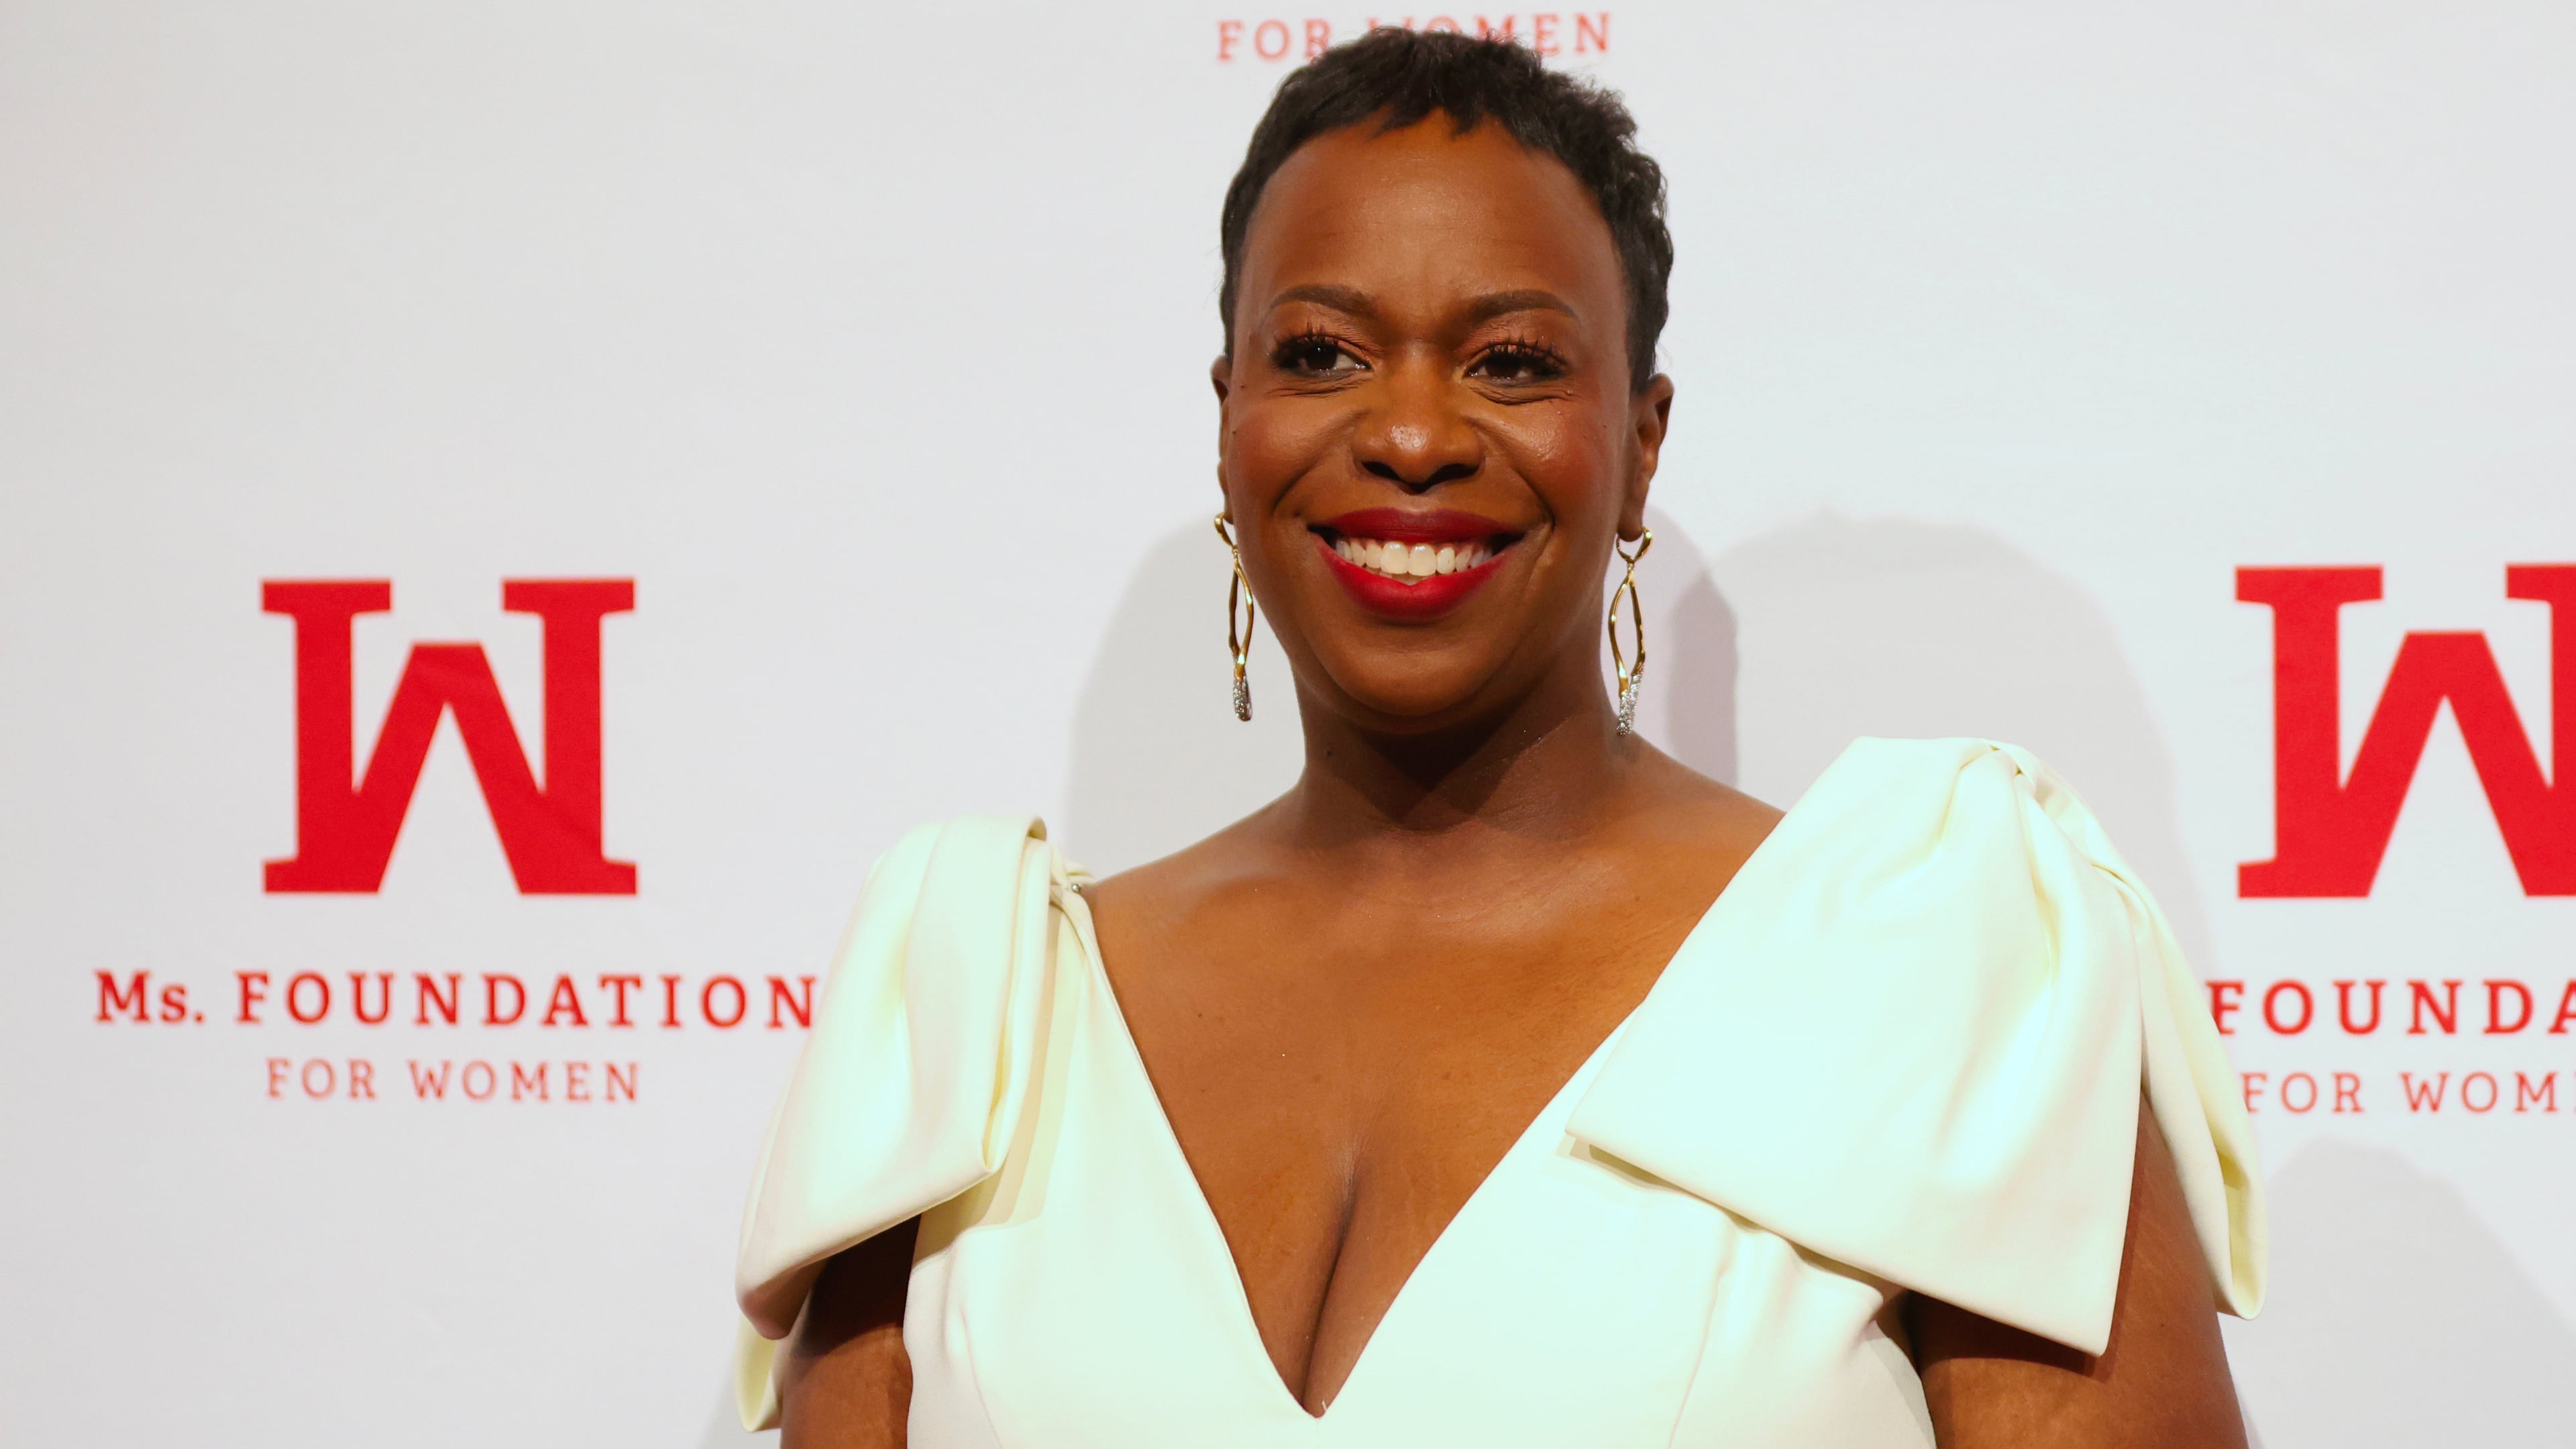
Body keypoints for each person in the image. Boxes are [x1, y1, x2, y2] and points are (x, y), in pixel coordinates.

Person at [729, 29, 2264, 1448]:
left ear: (1640, 443)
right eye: (1321, 353)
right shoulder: (978, 1013)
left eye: (1513, 361)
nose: (1410, 434)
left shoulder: (1939, 965)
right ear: (1227, 421)